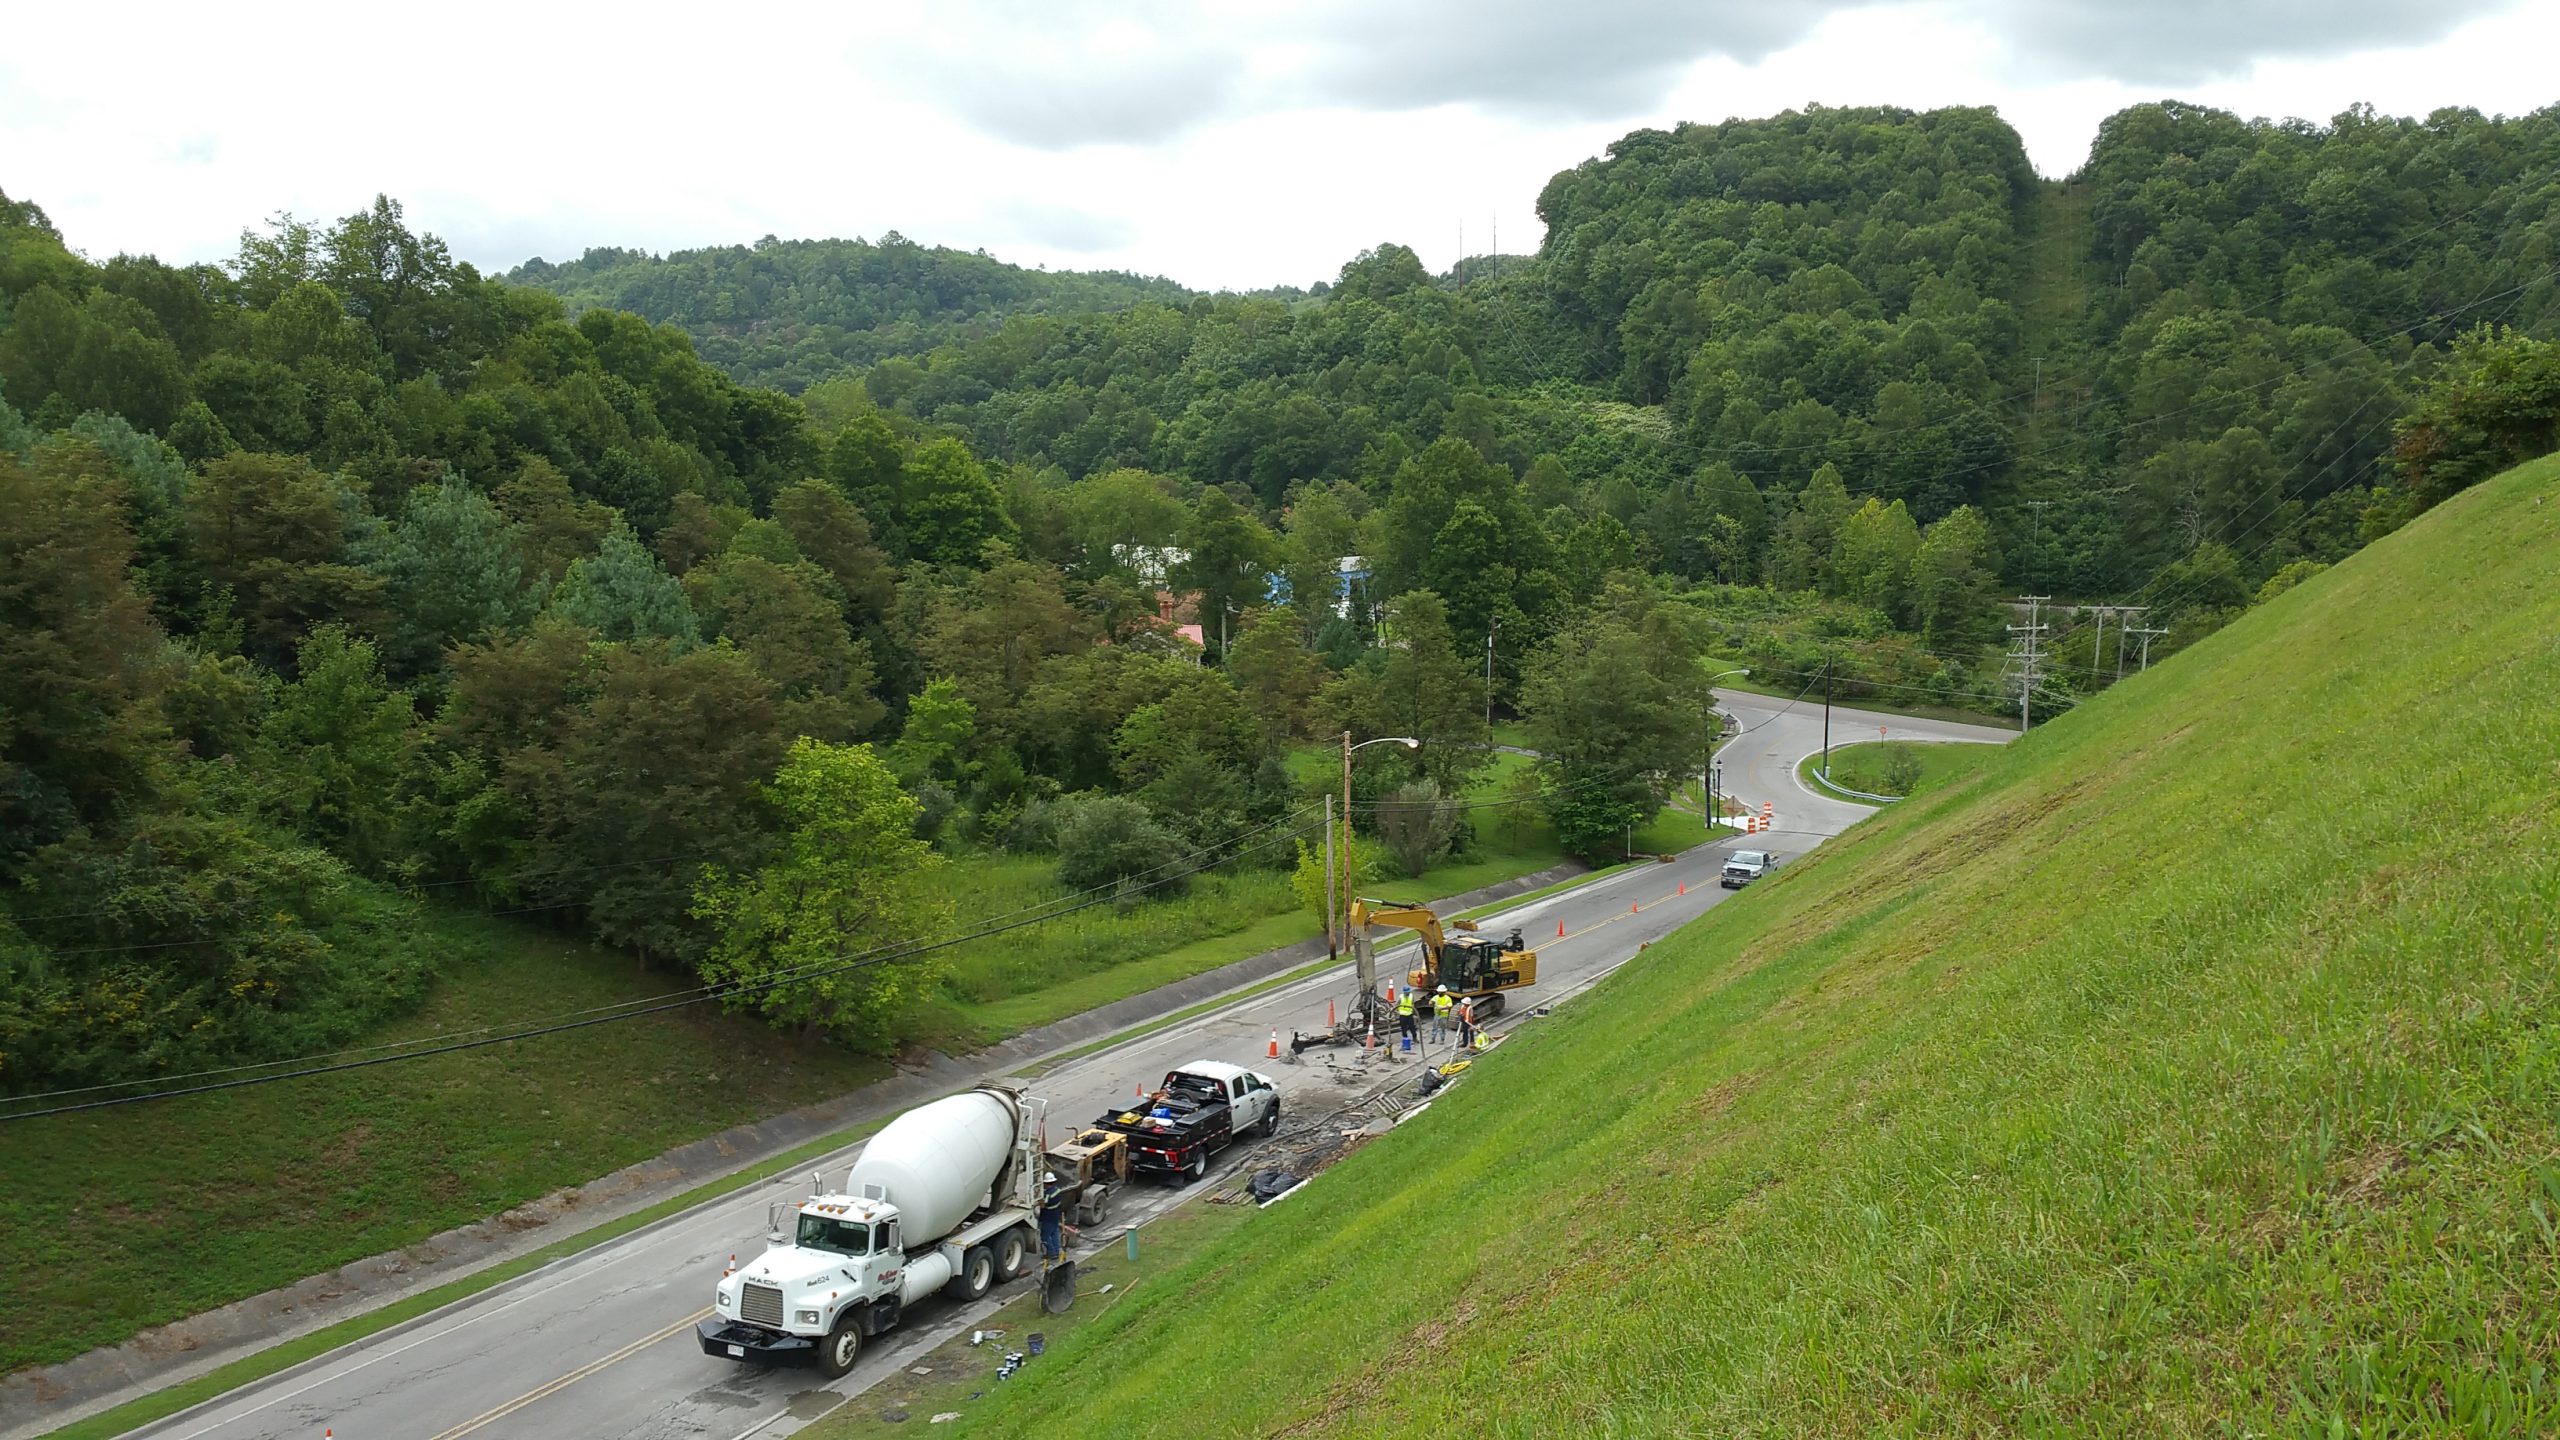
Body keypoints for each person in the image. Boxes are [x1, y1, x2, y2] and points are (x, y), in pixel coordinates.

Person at [1039, 1170, 1077, 1263]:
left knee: (1045, 1236)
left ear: (1046, 1183)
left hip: (1047, 1217)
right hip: (1056, 1215)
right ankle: (1056, 1250)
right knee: (1055, 1233)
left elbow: (1043, 1205)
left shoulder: (1048, 1194)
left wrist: (1039, 1200)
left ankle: (1051, 1253)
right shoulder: (1058, 1190)